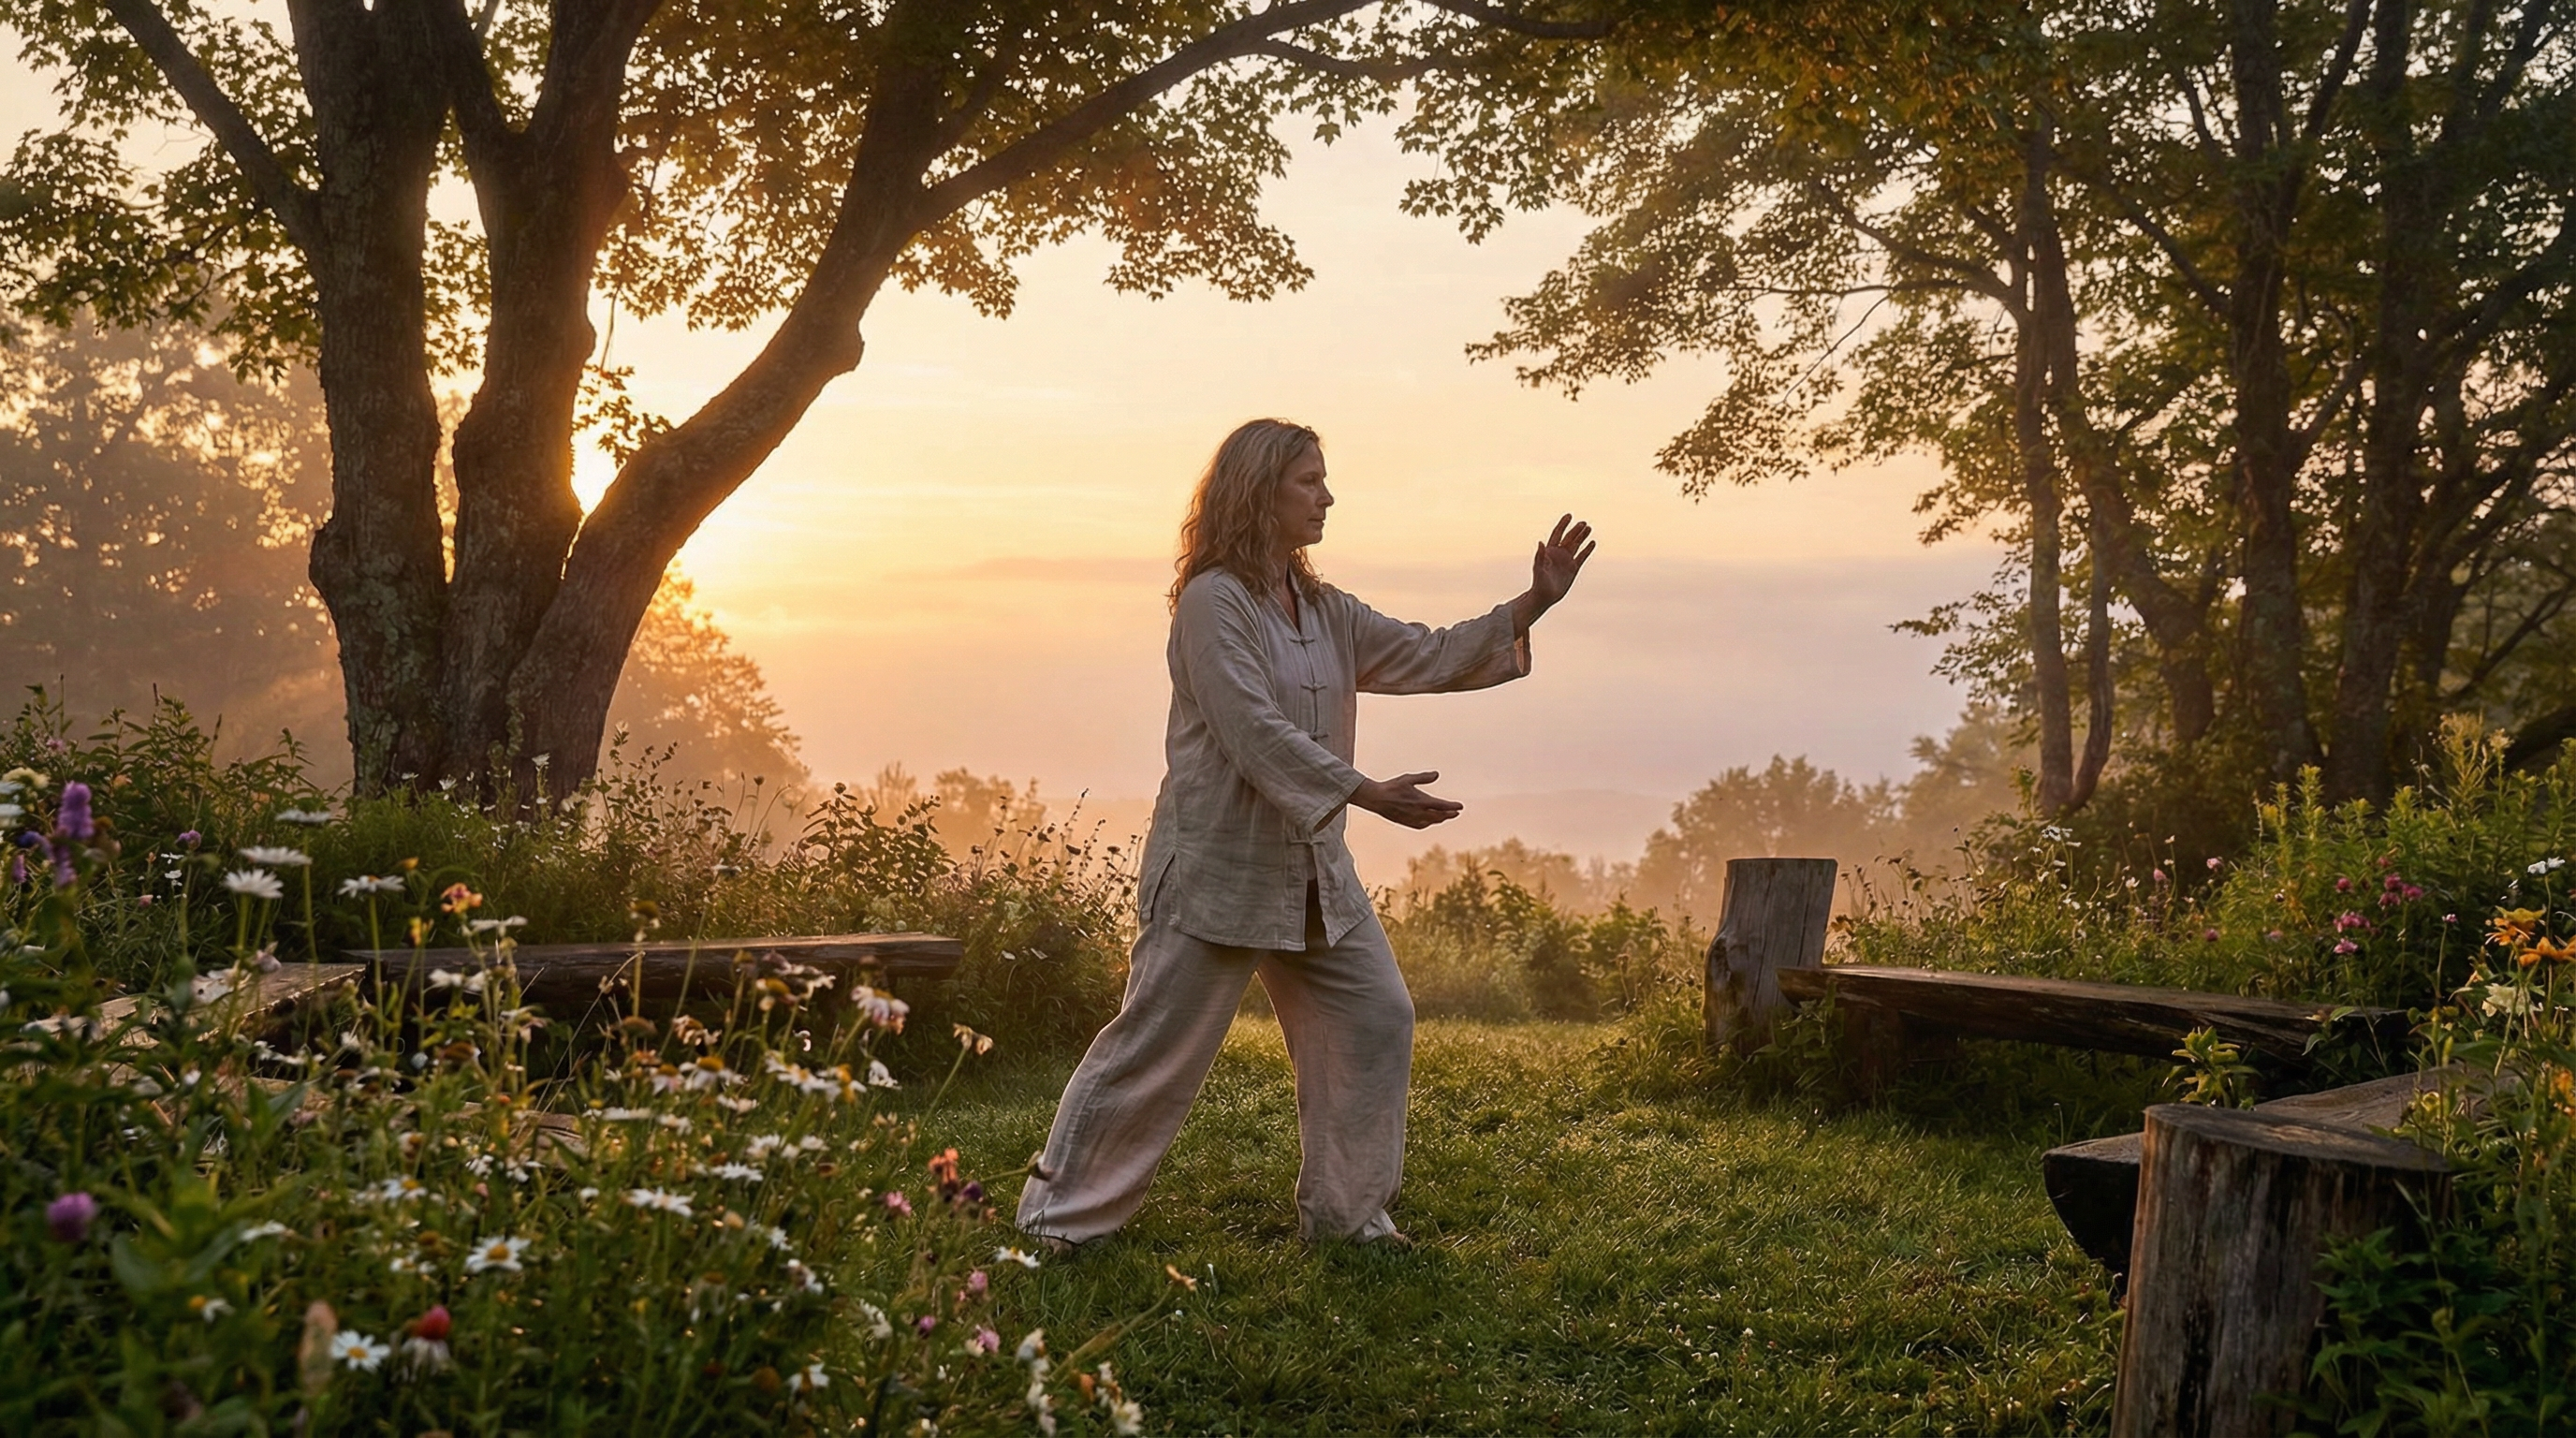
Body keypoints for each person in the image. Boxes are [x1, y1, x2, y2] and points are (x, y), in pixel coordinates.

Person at [1015, 418, 1594, 1251]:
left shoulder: (1322, 608)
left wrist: (1535, 600)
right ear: (1260, 491)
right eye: (1309, 481)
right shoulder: (1213, 604)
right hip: (1218, 866)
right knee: (1154, 1050)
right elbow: (1249, 727)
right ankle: (1056, 1223)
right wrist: (1363, 790)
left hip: (1313, 869)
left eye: (1324, 481)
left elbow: (1426, 654)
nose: (1327, 497)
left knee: (1374, 1016)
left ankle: (1347, 1214)